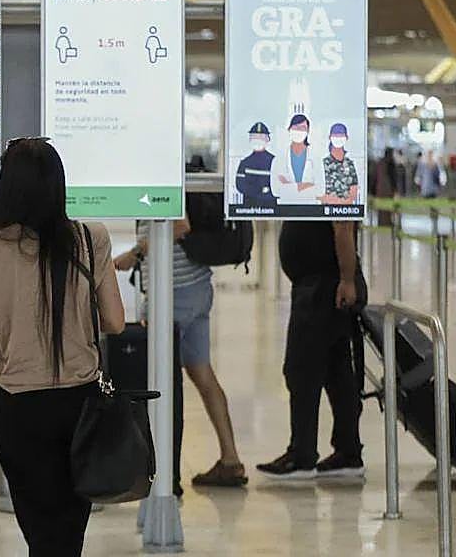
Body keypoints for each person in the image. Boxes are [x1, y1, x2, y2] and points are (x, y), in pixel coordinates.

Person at [0, 138, 125, 557]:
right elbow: (116, 321)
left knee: (40, 528)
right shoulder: (91, 239)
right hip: (81, 402)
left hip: (20, 407)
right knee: (69, 528)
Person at [114, 217, 247, 488]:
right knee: (202, 373)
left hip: (174, 292)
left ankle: (163, 475)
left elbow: (181, 225)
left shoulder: (166, 178)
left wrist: (135, 253)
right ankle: (230, 460)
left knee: (162, 381)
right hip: (195, 285)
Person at [258, 219, 364, 480]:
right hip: (318, 282)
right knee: (336, 372)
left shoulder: (333, 178)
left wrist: (347, 279)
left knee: (300, 369)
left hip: (325, 284)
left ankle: (302, 454)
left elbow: (343, 225)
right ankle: (348, 452)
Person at [270, 114, 324, 204]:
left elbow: (320, 190)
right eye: (296, 127)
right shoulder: (278, 160)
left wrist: (290, 186)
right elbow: (275, 190)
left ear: (308, 132)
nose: (299, 131)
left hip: (310, 209)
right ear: (289, 130)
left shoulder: (316, 159)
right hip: (286, 210)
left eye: (302, 128)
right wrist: (307, 185)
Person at [234, 122, 277, 209]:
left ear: (268, 139)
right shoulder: (244, 163)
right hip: (249, 207)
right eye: (255, 137)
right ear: (250, 139)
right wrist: (260, 190)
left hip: (270, 208)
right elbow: (240, 185)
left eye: (261, 137)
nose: (258, 140)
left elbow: (277, 185)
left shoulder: (274, 161)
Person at [320, 123, 360, 206]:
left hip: (346, 212)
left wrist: (343, 202)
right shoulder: (324, 164)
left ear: (346, 138)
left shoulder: (349, 164)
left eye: (341, 135)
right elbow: (320, 194)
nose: (338, 137)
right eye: (335, 135)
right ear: (330, 137)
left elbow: (354, 192)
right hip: (327, 212)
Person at [375, 148, 399, 227]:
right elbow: (393, 178)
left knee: (381, 209)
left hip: (379, 189)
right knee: (388, 208)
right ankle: (387, 223)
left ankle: (381, 223)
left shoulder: (380, 163)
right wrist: (395, 190)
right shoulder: (391, 163)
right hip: (388, 190)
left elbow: (375, 177)